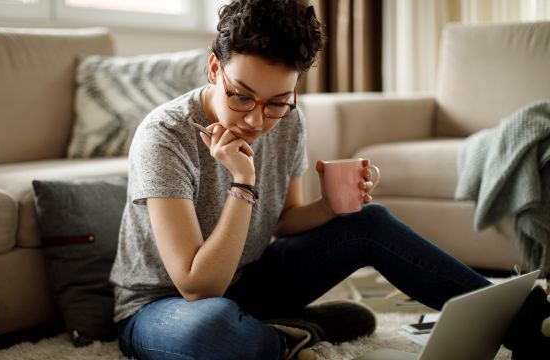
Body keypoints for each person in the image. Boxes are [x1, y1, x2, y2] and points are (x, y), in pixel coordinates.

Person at [109, 1, 549, 359]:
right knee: (212, 332)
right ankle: (296, 333)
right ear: (213, 69)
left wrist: (332, 207)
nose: (257, 119)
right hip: (164, 308)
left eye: (278, 101)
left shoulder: (287, 121)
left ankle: (529, 319)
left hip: (251, 281)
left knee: (368, 221)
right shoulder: (164, 136)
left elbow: (283, 221)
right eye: (241, 96)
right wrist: (243, 183)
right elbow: (198, 286)